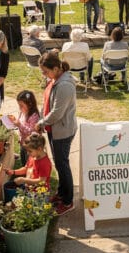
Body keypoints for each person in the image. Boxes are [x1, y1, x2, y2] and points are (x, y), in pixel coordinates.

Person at [37, 51, 77, 215]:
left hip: (62, 131)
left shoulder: (65, 85)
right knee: (59, 163)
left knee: (63, 165)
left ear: (55, 68)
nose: (44, 75)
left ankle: (68, 202)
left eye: (46, 72)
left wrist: (41, 122)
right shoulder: (55, 79)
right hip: (54, 129)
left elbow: (57, 113)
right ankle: (61, 193)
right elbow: (47, 102)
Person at [8, 90, 40, 165]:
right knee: (23, 159)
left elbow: (32, 132)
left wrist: (19, 125)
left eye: (21, 105)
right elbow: (20, 122)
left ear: (30, 104)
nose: (19, 107)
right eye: (19, 105)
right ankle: (25, 171)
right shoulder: (22, 112)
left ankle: (29, 174)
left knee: (29, 162)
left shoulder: (34, 116)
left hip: (31, 145)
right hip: (23, 142)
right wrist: (14, 121)